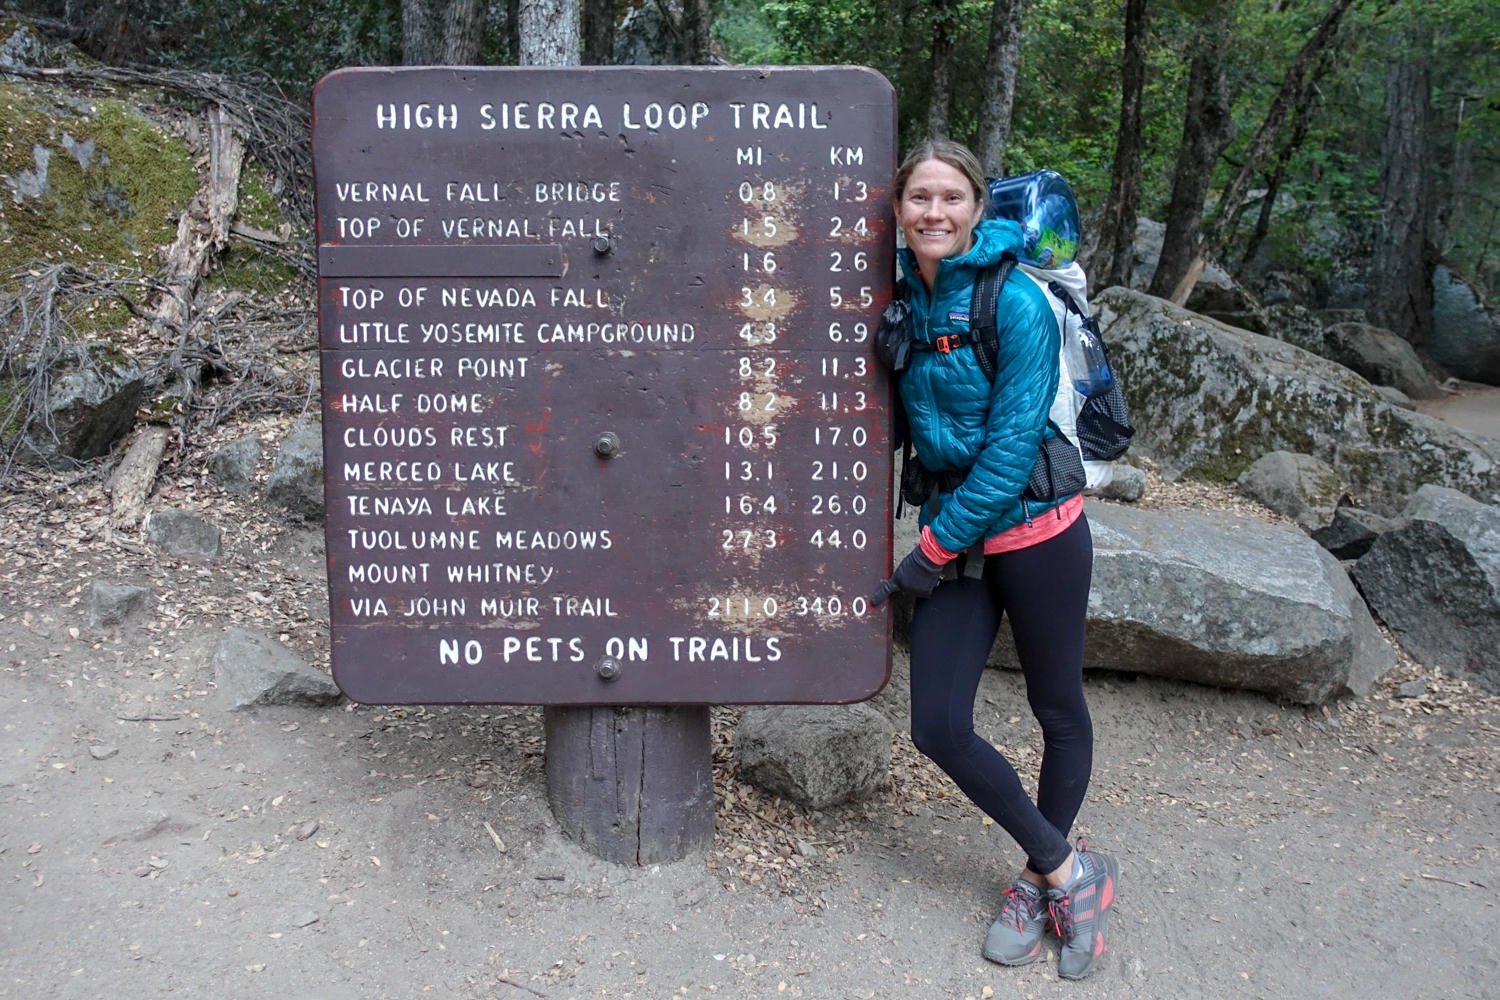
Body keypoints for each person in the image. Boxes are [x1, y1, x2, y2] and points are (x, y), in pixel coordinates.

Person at [870, 139, 1119, 981]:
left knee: (1057, 709)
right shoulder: (896, 297)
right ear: (898, 210)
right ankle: (1066, 870)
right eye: (918, 198)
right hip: (957, 537)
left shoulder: (1015, 302)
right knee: (937, 724)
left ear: (978, 209)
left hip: (1038, 533)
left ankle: (1029, 880)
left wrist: (927, 553)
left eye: (950, 198)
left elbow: (1012, 452)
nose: (933, 213)